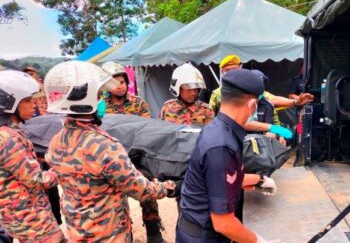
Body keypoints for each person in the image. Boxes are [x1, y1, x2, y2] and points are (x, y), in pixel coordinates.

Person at [43, 61, 175, 242]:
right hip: (109, 233)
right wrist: (165, 188)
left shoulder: (56, 140)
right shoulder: (106, 147)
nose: (101, 100)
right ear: (88, 101)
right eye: (98, 95)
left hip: (78, 230)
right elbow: (139, 189)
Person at [177, 69, 278, 243]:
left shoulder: (221, 129)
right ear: (252, 105)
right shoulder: (221, 145)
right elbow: (223, 223)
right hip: (203, 237)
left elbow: (225, 178)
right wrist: (260, 241)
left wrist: (259, 180)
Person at [0, 70, 65, 242]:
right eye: (27, 101)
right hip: (31, 220)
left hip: (19, 214)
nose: (34, 105)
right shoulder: (8, 139)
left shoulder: (9, 132)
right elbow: (36, 180)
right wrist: (65, 169)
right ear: (9, 104)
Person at [102, 61, 163, 243]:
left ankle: (153, 232)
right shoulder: (101, 106)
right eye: (115, 83)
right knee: (116, 200)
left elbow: (147, 130)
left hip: (137, 158)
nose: (120, 86)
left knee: (148, 195)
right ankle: (124, 233)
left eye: (122, 82)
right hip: (111, 161)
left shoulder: (138, 104)